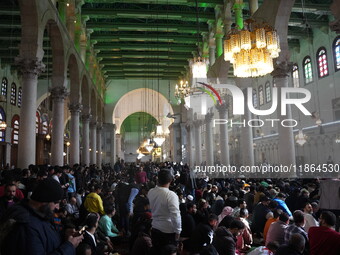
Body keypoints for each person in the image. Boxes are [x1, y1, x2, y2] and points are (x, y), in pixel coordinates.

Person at [0, 178, 83, 254]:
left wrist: (64, 234)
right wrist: (69, 246)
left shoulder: (41, 213)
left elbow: (45, 236)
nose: (57, 207)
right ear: (44, 201)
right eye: (55, 202)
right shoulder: (26, 226)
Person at [147, 170, 181, 254]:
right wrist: (178, 231)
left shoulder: (151, 192)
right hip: (168, 231)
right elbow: (175, 215)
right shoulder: (171, 195)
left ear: (158, 179)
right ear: (170, 181)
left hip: (155, 227)